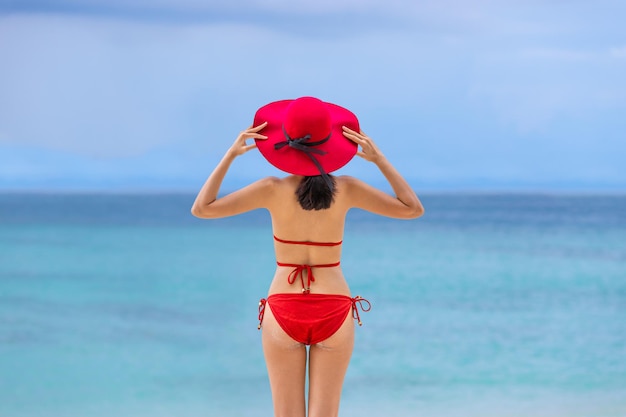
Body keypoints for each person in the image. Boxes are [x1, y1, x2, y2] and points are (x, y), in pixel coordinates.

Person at [191, 97, 424, 417]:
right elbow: (412, 209)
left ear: (285, 145)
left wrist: (230, 155)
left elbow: (202, 208)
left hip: (283, 308)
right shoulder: (349, 188)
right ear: (332, 144)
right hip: (334, 307)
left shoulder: (270, 188)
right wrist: (379, 159)